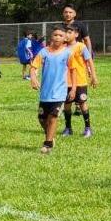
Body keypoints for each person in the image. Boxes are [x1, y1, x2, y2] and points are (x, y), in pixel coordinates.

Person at [28, 26, 76, 154]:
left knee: (53, 117)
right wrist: (33, 78)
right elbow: (33, 67)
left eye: (61, 35)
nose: (58, 37)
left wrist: (73, 89)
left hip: (59, 93)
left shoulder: (68, 53)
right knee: (42, 119)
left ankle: (47, 144)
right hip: (45, 93)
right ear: (51, 37)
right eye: (55, 35)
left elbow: (73, 70)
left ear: (65, 38)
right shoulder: (44, 52)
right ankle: (51, 135)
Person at [62, 25, 98, 138]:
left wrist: (93, 76)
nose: (66, 35)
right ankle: (68, 128)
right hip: (65, 81)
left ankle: (88, 128)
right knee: (67, 104)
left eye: (69, 32)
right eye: (65, 32)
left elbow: (89, 61)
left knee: (82, 102)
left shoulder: (81, 46)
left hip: (80, 81)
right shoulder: (62, 48)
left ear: (76, 34)